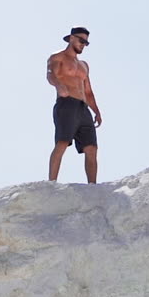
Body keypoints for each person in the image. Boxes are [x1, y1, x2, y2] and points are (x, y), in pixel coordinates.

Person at [47, 26, 103, 183]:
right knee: (62, 142)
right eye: (81, 40)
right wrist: (59, 85)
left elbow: (89, 91)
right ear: (71, 38)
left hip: (83, 108)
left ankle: (92, 186)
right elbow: (51, 75)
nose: (83, 44)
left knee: (91, 148)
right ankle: (51, 183)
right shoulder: (57, 57)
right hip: (66, 104)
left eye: (86, 42)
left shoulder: (84, 65)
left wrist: (96, 111)